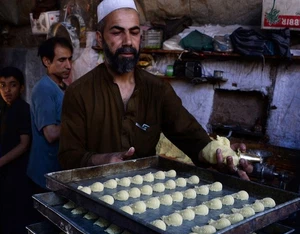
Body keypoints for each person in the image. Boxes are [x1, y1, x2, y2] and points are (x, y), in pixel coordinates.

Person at [58, 0, 252, 179]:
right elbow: (68, 157)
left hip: (143, 198)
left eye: (134, 32)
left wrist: (218, 154)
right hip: (93, 195)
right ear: (100, 39)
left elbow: (190, 136)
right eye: (117, 32)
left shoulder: (158, 90)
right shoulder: (79, 93)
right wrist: (103, 160)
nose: (127, 41)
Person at [0, 67, 37, 234]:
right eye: (2, 85)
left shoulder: (22, 109)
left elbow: (24, 144)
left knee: (18, 219)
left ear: (21, 87)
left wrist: (1, 162)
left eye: (12, 85)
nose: (7, 90)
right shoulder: (6, 108)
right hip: (6, 173)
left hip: (17, 174)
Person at [27, 37, 73, 192]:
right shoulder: (44, 89)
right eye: (62, 60)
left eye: (69, 59)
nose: (68, 65)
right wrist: (80, 122)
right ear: (47, 61)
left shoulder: (61, 87)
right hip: (45, 173)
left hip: (56, 170)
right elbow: (51, 134)